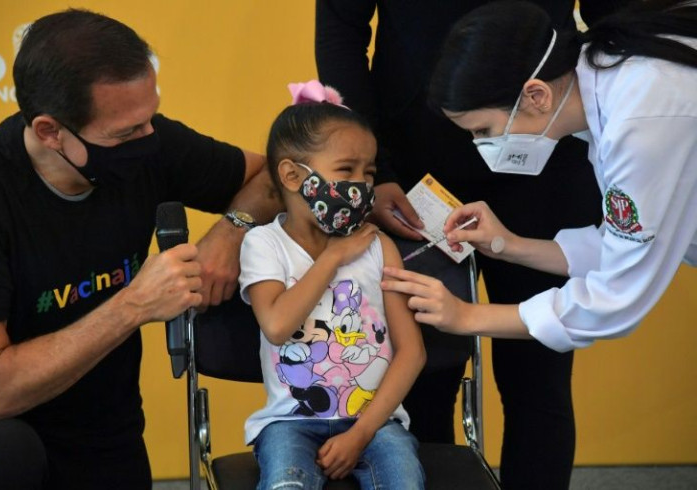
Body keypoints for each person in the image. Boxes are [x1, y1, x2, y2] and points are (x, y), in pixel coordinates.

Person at [0, 9, 281, 490]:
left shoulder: (150, 139)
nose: (148, 138)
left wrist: (229, 232)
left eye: (150, 117)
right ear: (50, 131)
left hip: (105, 427)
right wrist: (133, 305)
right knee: (4, 453)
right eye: (126, 132)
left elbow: (277, 177)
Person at [315, 2, 628, 488]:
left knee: (538, 378)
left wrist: (625, 103)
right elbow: (340, 27)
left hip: (547, 148)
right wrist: (373, 168)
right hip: (418, 165)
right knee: (420, 374)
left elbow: (619, 13)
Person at [382, 1, 696, 351]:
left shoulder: (639, 118)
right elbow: (617, 248)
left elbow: (616, 299)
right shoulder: (602, 78)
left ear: (536, 95)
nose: (481, 146)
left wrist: (466, 316)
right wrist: (507, 245)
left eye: (484, 130)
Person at [238, 81, 426, 489]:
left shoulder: (380, 247)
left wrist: (362, 432)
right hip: (289, 423)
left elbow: (412, 352)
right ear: (291, 175)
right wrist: (334, 256)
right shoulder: (262, 243)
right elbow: (276, 325)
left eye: (369, 172)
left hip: (375, 421)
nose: (361, 185)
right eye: (346, 170)